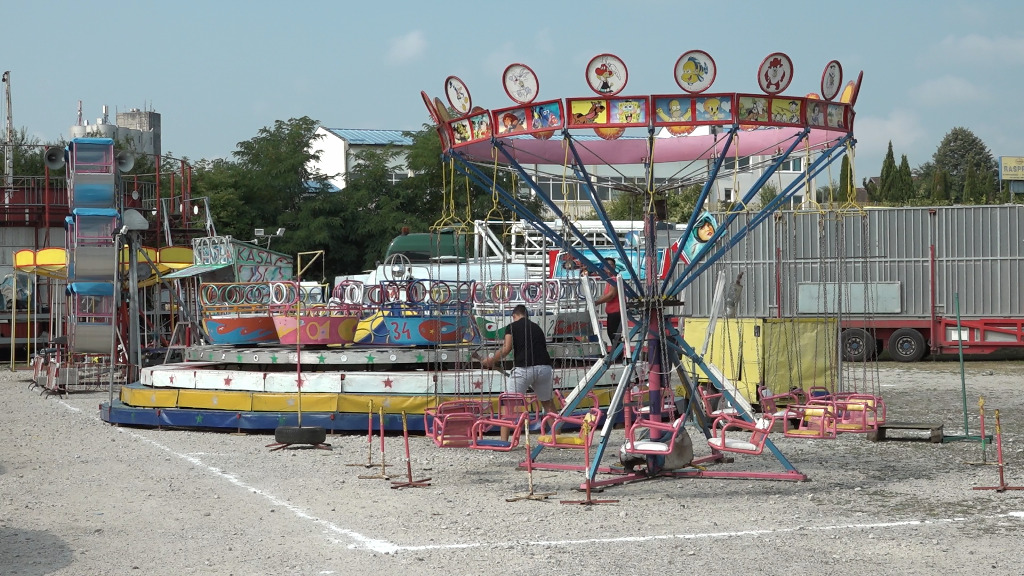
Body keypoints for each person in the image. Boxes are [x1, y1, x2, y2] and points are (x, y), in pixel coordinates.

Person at [480, 304, 556, 441]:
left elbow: (506, 348)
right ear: (526, 315)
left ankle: (504, 441)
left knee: (509, 404)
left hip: (524, 369)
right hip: (544, 368)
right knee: (548, 403)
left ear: (514, 316)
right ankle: (557, 437)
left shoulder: (512, 326)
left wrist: (491, 360)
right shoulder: (537, 327)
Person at [593, 258, 622, 359]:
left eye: (611, 264)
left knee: (614, 335)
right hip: (612, 312)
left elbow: (611, 295)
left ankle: (618, 356)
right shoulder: (609, 280)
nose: (609, 267)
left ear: (614, 267)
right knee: (612, 334)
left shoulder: (614, 279)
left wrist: (596, 302)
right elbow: (606, 295)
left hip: (616, 312)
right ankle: (617, 355)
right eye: (607, 265)